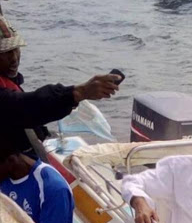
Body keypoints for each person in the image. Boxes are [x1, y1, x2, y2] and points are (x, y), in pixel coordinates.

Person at [0, 16, 120, 154]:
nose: (14, 59)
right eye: (4, 53)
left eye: (16, 49)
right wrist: (77, 93)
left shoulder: (8, 79)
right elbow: (20, 106)